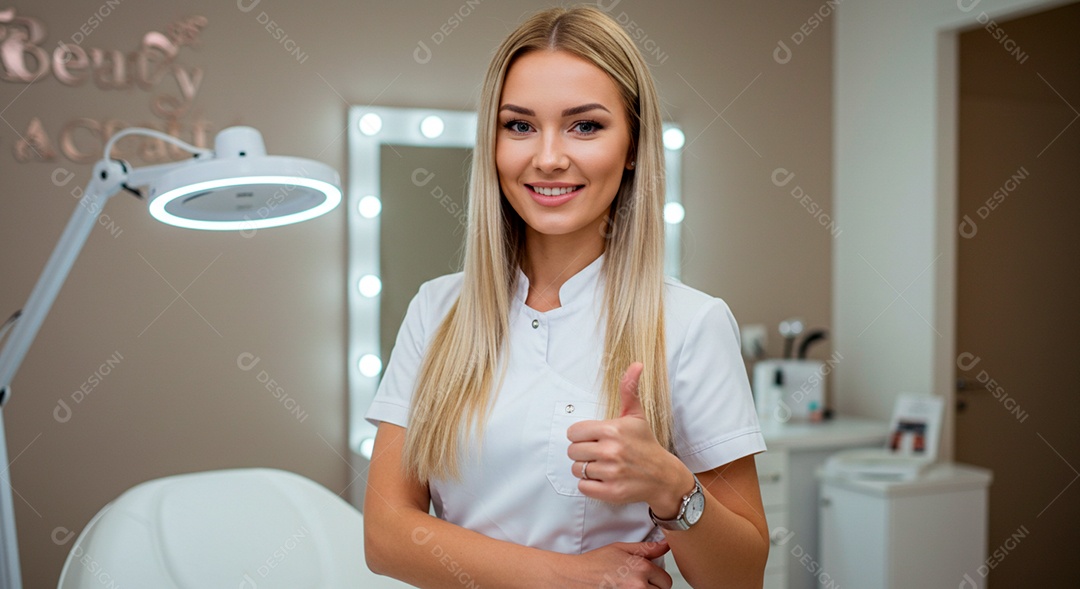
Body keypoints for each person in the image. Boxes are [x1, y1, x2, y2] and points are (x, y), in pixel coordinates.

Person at [364, 6, 768, 588]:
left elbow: (741, 578)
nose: (548, 157)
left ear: (632, 146)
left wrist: (671, 486)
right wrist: (567, 578)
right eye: (520, 126)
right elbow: (385, 536)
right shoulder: (436, 309)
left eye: (585, 126)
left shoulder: (690, 323)